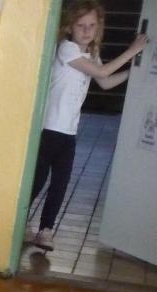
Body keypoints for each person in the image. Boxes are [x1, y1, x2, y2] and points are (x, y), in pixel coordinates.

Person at [29, 1, 149, 251]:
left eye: (92, 25)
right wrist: (133, 51)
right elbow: (103, 73)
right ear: (69, 27)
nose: (86, 30)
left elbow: (105, 82)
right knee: (38, 180)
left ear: (98, 27)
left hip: (68, 132)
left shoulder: (91, 54)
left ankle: (46, 230)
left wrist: (134, 73)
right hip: (49, 128)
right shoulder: (67, 49)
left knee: (60, 183)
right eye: (80, 25)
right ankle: (20, 223)